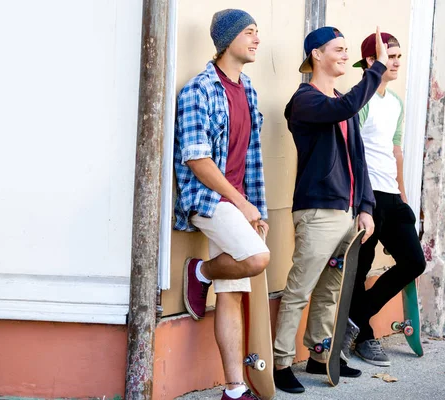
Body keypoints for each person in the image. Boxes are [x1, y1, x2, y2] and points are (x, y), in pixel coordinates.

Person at [272, 26, 388, 393]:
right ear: (316, 55)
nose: (343, 55)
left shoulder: (341, 101)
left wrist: (366, 207)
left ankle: (321, 354)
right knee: (300, 289)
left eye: (346, 49)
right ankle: (279, 362)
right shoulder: (305, 101)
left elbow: (360, 160)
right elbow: (344, 106)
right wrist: (377, 68)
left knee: (330, 291)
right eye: (338, 49)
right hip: (318, 210)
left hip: (347, 211)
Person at [173, 9, 269, 400]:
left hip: (239, 202)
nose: (257, 39)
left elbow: (250, 158)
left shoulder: (248, 90)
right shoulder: (199, 90)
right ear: (227, 40)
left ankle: (233, 389)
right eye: (249, 32)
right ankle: (200, 271)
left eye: (257, 32)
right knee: (257, 259)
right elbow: (197, 160)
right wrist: (242, 204)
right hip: (210, 199)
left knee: (231, 292)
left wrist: (256, 209)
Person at [348, 32, 426, 367]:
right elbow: (354, 155)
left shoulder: (395, 102)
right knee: (359, 269)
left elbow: (395, 151)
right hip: (367, 197)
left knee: (414, 261)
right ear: (371, 61)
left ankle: (357, 320)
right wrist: (360, 203)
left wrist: (405, 199)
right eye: (389, 56)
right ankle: (364, 336)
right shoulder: (360, 101)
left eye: (398, 56)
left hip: (392, 197)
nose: (395, 62)